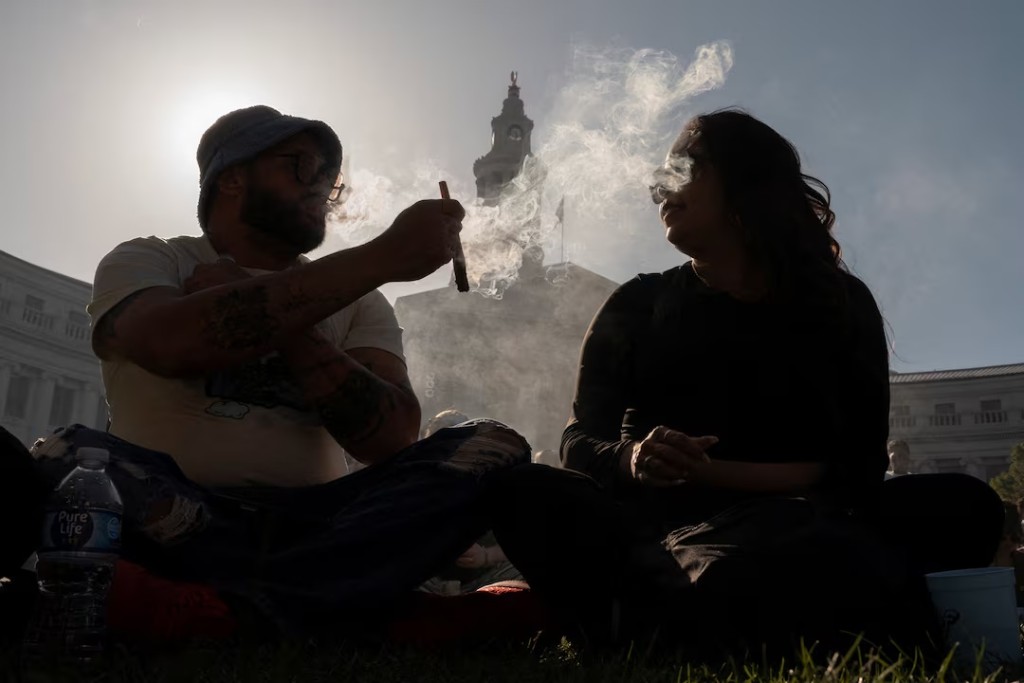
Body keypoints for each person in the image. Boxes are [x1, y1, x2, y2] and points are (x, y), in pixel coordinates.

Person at [486, 109, 1002, 657]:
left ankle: (656, 617)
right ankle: (700, 604)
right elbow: (579, 442)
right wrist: (634, 458)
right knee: (520, 490)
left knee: (966, 504)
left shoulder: (839, 304)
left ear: (746, 180)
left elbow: (858, 469)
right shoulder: (639, 303)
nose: (660, 186)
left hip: (801, 515)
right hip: (659, 528)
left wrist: (711, 471)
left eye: (685, 166)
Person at [23, 105, 532, 638]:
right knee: (69, 454)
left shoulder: (360, 300)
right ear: (233, 177)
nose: (322, 189)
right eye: (301, 167)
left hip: (323, 525)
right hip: (178, 511)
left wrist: (293, 319)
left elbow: (390, 438)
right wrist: (381, 257)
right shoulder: (151, 260)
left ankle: (229, 608)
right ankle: (342, 609)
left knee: (489, 445)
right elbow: (168, 343)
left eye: (330, 181)